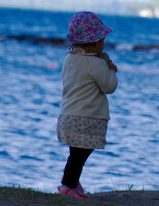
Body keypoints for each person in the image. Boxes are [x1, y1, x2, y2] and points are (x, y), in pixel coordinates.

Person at [57, 11, 118, 199]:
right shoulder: (96, 64)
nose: (103, 45)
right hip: (87, 118)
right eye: (101, 41)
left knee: (76, 153)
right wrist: (111, 70)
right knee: (80, 155)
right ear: (91, 44)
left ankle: (72, 180)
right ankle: (67, 186)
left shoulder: (70, 59)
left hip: (68, 115)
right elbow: (110, 86)